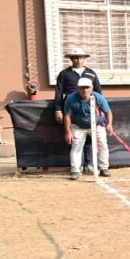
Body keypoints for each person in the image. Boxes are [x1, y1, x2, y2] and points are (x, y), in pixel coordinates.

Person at [55, 45, 102, 174]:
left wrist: (99, 109)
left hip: (89, 109)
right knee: (75, 138)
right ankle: (77, 166)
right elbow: (58, 93)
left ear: (84, 59)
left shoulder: (91, 73)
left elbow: (98, 92)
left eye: (81, 57)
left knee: (90, 137)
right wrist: (58, 110)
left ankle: (89, 164)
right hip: (72, 109)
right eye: (75, 58)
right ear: (71, 59)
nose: (78, 60)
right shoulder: (64, 74)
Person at [63, 77, 112, 181]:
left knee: (103, 144)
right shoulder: (71, 99)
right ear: (77, 88)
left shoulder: (98, 97)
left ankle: (104, 168)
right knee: (76, 146)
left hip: (97, 124)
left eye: (87, 87)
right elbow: (67, 116)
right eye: (82, 88)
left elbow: (108, 112)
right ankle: (75, 170)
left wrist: (109, 125)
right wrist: (68, 132)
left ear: (91, 88)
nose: (84, 90)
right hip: (78, 125)